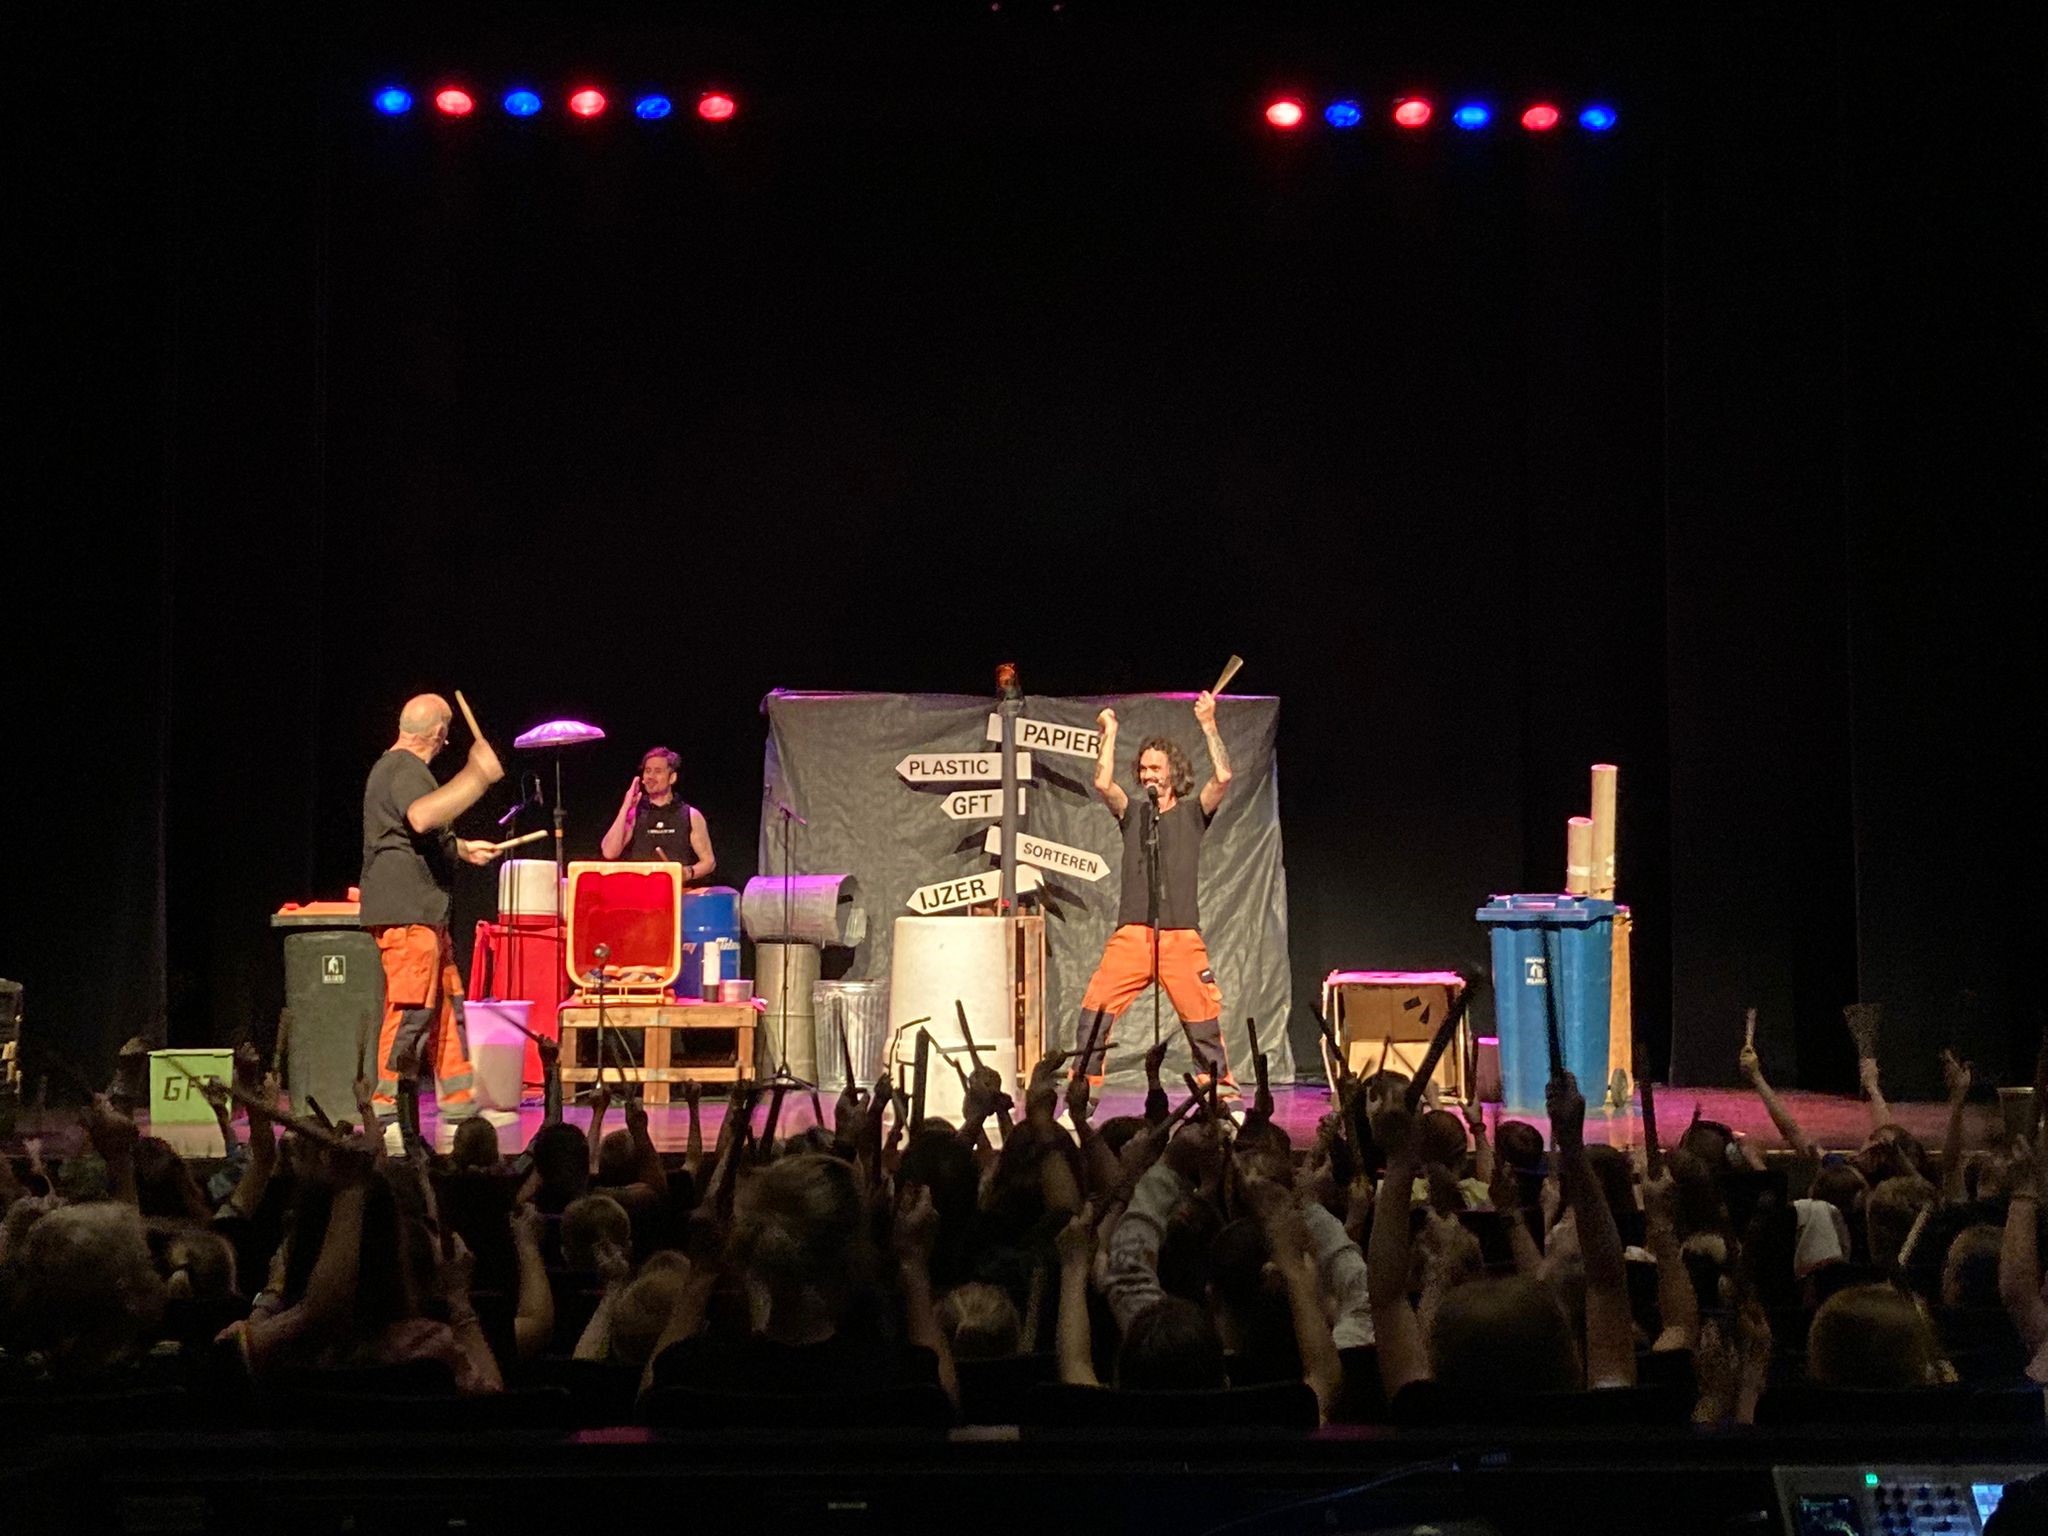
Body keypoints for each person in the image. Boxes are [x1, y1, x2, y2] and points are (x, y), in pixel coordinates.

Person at [1071, 692, 1235, 1093]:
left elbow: (1224, 777)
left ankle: (1220, 1092)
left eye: (1156, 768)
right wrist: (1109, 733)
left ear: (1172, 772)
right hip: (1133, 936)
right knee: (1094, 1012)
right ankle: (1083, 1092)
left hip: (1180, 936)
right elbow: (1102, 783)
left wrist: (1209, 724)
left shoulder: (1194, 814)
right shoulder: (1133, 813)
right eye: (1143, 769)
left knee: (1202, 1020)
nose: (1148, 776)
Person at [362, 693, 504, 1146]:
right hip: (407, 914)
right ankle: (385, 1103)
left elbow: (411, 833)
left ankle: (459, 1099)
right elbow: (423, 818)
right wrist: (477, 776)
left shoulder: (400, 771)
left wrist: (463, 848)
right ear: (441, 734)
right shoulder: (403, 767)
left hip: (423, 914)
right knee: (411, 1007)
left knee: (446, 1004)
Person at [599, 747, 717, 880]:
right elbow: (609, 852)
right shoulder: (634, 813)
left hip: (676, 894)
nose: (650, 776)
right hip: (639, 892)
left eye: (657, 771)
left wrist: (686, 873)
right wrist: (626, 806)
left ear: (672, 777)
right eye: (647, 771)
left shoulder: (691, 815)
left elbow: (709, 862)